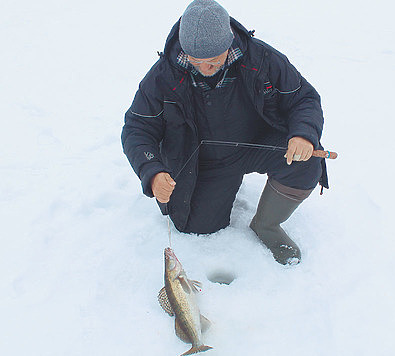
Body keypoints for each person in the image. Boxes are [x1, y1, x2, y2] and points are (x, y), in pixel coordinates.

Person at [121, 0, 329, 265]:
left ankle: (267, 225)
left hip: (259, 143)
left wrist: (303, 134)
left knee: (306, 159)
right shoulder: (162, 77)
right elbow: (137, 129)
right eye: (195, 60)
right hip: (203, 163)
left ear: (228, 44)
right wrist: (151, 171)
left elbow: (303, 98)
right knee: (196, 227)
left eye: (212, 60)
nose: (203, 68)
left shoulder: (260, 58)